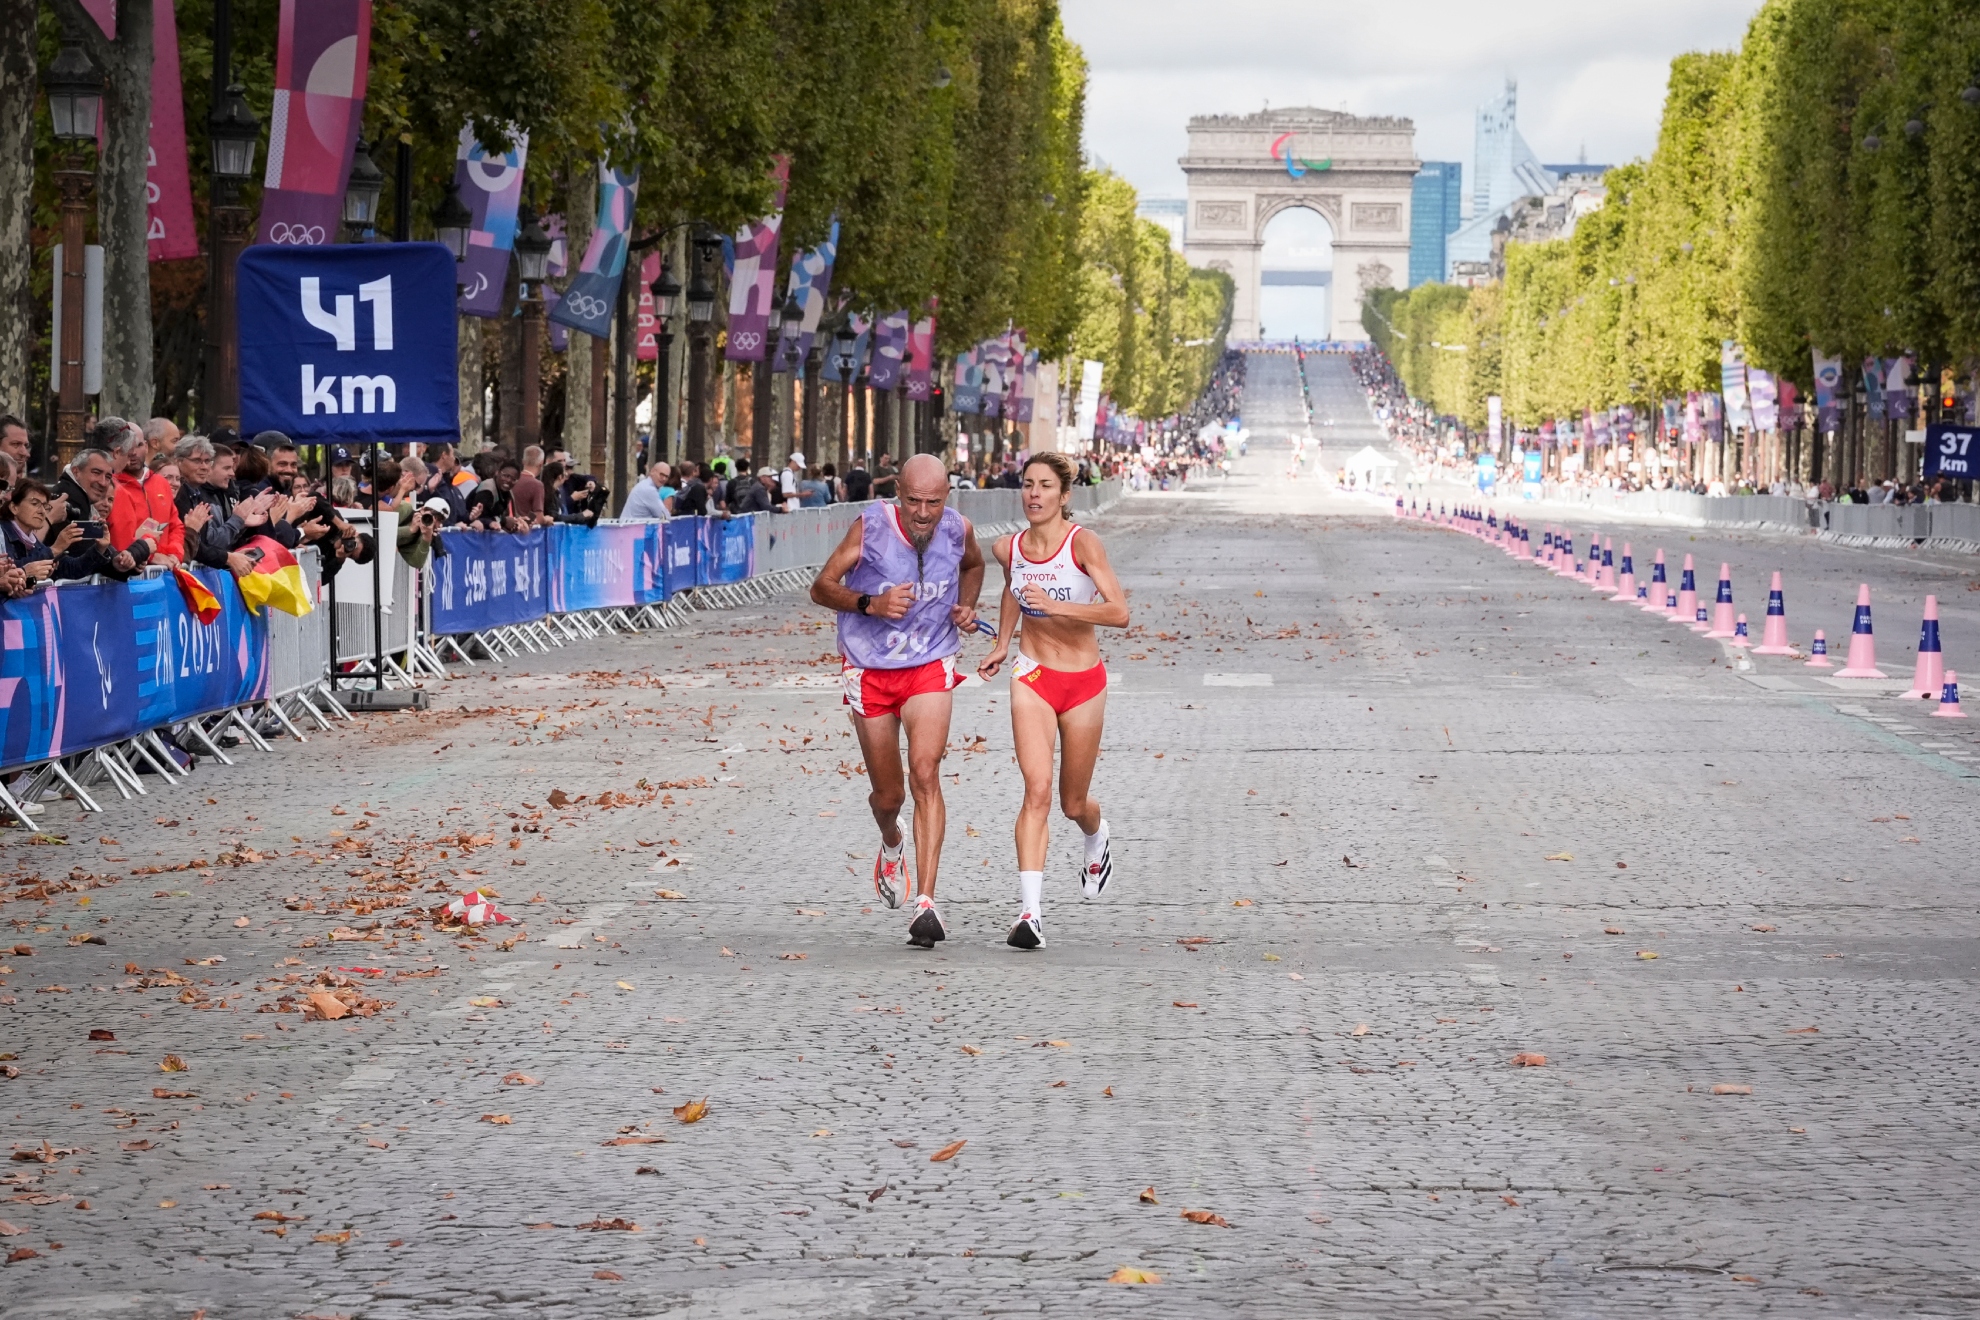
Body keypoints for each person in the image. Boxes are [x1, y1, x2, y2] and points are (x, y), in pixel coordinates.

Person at [809, 453, 986, 947]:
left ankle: (926, 903)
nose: (923, 513)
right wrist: (872, 603)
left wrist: (966, 606)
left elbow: (974, 565)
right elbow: (821, 587)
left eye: (933, 501)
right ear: (898, 495)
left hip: (930, 662)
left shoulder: (958, 528)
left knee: (926, 771)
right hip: (869, 668)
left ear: (948, 496)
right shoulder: (870, 527)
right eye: (914, 501)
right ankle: (892, 840)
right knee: (890, 797)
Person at [978, 452, 1130, 950]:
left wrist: (1056, 604)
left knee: (1071, 802)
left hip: (1083, 680)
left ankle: (1096, 833)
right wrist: (1003, 642)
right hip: (1033, 675)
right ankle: (1030, 915)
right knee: (1036, 790)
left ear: (1065, 496)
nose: (1035, 494)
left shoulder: (1083, 543)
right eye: (1027, 485)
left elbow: (1119, 612)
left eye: (1045, 486)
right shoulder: (1009, 547)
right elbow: (1011, 591)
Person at [512, 445, 548, 524]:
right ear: (541, 464)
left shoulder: (511, 479)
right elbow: (538, 518)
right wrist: (547, 520)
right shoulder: (537, 485)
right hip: (526, 531)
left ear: (523, 461)